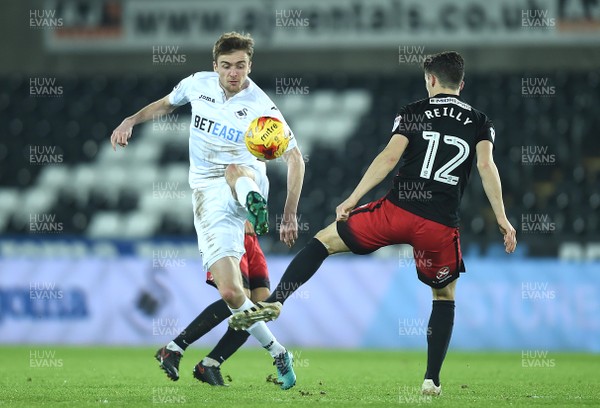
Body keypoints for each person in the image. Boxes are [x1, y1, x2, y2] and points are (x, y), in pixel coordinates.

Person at [229, 51, 517, 396]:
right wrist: (502, 219)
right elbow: (487, 168)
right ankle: (431, 380)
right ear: (462, 83)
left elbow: (390, 157)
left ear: (431, 80)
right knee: (443, 295)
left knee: (323, 241)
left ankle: (277, 299)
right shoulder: (480, 121)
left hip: (395, 212)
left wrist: (353, 198)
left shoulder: (414, 111)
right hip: (439, 225)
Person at [110, 31, 305, 390]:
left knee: (235, 170)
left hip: (246, 178)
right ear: (215, 65)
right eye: (227, 66)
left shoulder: (261, 104)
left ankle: (252, 205)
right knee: (234, 295)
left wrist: (290, 212)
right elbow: (166, 104)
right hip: (206, 193)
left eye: (241, 65)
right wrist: (130, 121)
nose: (234, 72)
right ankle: (278, 353)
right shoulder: (197, 84)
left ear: (250, 65)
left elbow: (294, 156)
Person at [155, 221, 273, 386]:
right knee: (239, 296)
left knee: (261, 304)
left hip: (250, 235)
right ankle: (174, 349)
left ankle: (210, 364)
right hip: (230, 229)